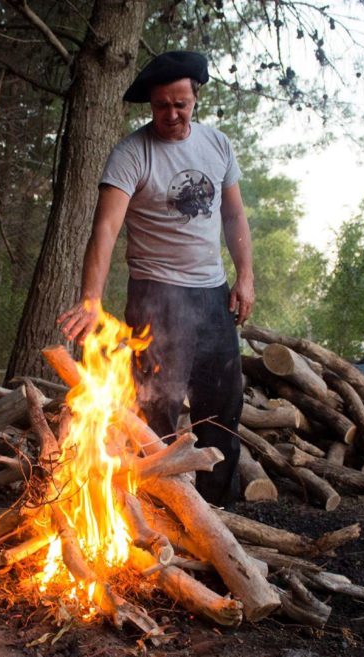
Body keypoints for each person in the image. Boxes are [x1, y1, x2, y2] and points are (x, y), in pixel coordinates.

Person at [58, 51, 254, 505]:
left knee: (222, 406)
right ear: (151, 104)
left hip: (212, 294)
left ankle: (219, 512)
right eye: (162, 105)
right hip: (155, 293)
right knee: (156, 408)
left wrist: (245, 276)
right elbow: (105, 228)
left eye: (181, 104)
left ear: (195, 98)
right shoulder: (132, 153)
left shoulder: (218, 145)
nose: (172, 114)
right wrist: (91, 300)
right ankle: (161, 508)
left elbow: (234, 215)